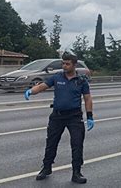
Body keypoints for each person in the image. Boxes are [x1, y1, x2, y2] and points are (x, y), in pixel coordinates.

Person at [24, 53, 94, 184]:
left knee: (77, 144)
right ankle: (46, 168)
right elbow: (42, 86)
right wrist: (31, 91)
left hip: (74, 116)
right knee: (51, 142)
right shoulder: (57, 77)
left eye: (67, 64)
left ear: (74, 65)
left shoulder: (81, 80)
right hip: (57, 116)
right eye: (63, 63)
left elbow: (87, 98)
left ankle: (76, 172)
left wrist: (90, 116)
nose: (64, 66)